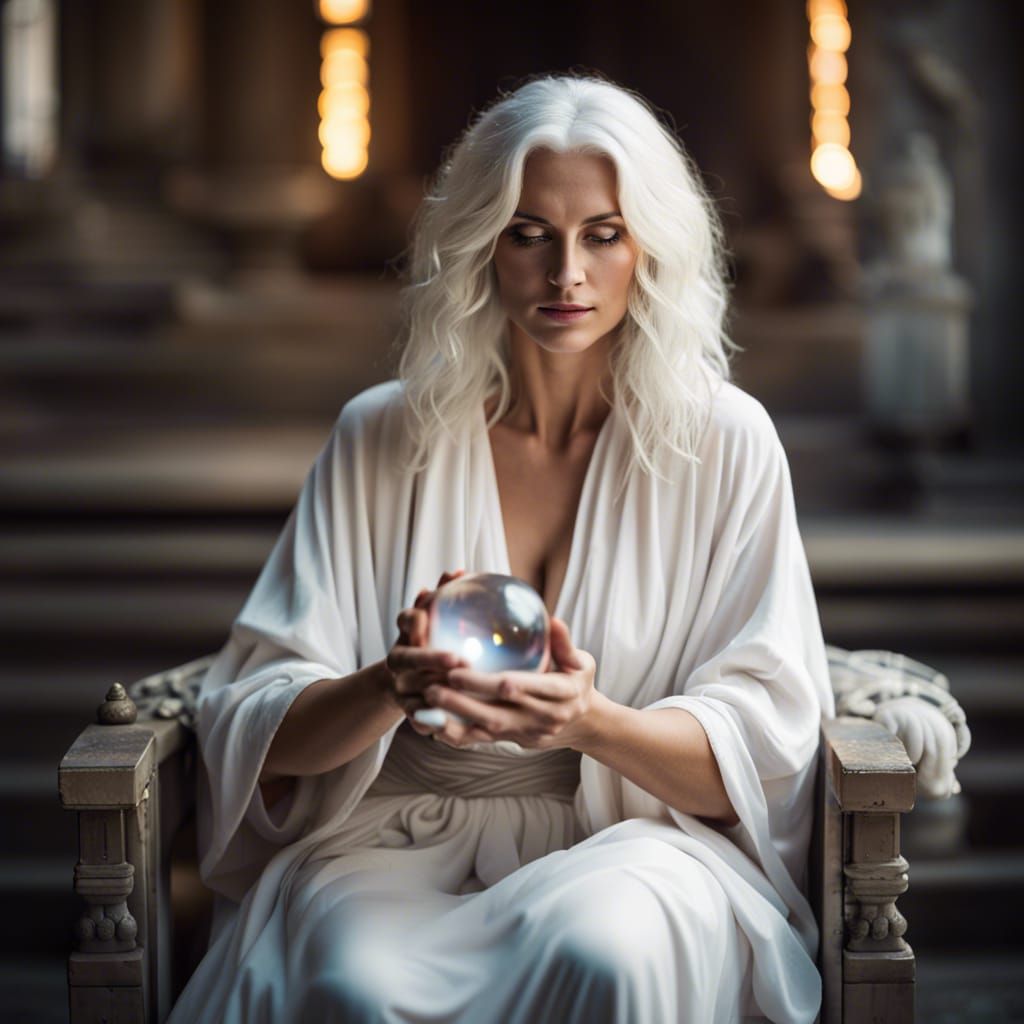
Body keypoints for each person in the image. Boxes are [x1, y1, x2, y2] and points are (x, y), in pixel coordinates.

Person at [169, 73, 834, 1023]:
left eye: (603, 234)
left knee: (604, 952)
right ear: (480, 241)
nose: (567, 273)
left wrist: (590, 722)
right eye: (529, 234)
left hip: (637, 841)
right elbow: (256, 727)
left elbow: (766, 750)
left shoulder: (725, 441)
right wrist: (387, 686)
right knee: (355, 983)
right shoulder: (379, 437)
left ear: (651, 248)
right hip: (394, 838)